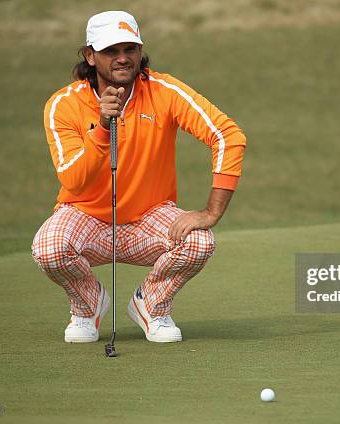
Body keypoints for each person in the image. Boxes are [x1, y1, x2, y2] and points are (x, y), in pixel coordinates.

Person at [31, 11, 246, 344]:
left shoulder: (164, 91)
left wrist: (211, 212)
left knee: (200, 240)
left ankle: (152, 305)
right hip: (85, 217)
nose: (122, 58)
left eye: (130, 49)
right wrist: (103, 128)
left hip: (150, 217)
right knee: (49, 249)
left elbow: (227, 135)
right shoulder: (63, 105)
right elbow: (74, 181)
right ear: (90, 56)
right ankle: (88, 305)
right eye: (110, 51)